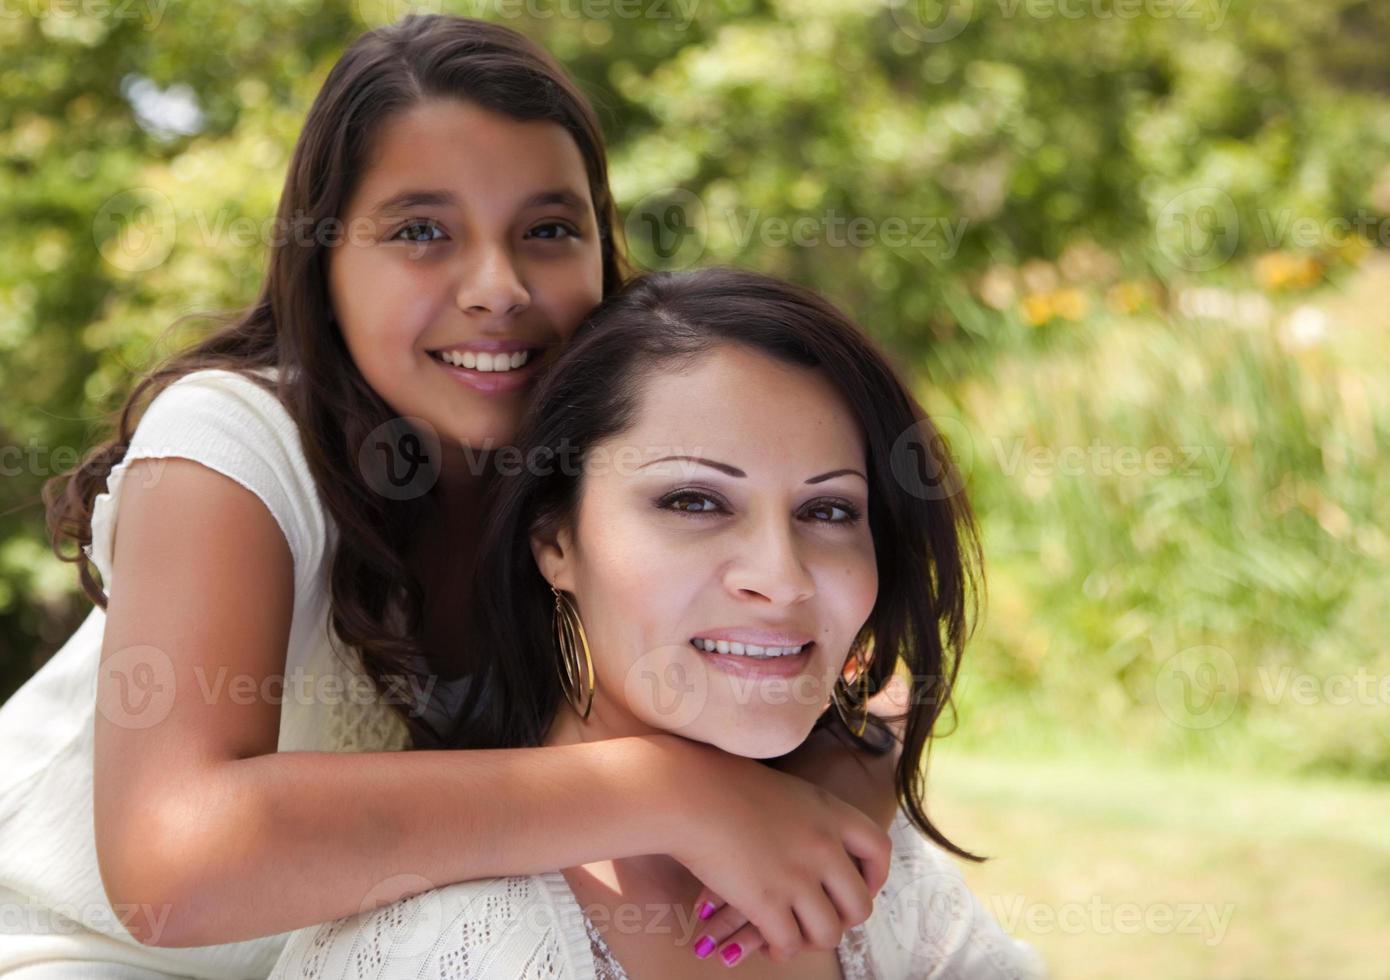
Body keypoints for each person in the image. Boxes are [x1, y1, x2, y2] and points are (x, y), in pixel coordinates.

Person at [0, 17, 901, 978]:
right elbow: (171, 864)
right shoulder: (233, 441)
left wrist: (813, 804)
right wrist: (663, 785)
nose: (497, 287)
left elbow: (861, 697)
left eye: (549, 231)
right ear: (324, 262)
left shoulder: (614, 459)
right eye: (421, 232)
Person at [268, 267, 1049, 979]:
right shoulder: (447, 944)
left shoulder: (877, 874)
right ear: (555, 542)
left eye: (829, 509)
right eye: (694, 502)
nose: (780, 580)